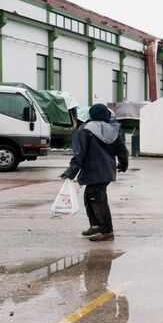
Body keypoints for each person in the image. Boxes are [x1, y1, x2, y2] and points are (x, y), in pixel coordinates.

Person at [61, 103, 129, 241]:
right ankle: (96, 225)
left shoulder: (85, 130)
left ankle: (107, 231)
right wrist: (123, 165)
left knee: (97, 200)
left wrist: (71, 172)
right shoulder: (113, 130)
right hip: (107, 171)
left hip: (93, 171)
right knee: (90, 197)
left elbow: (79, 154)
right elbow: (122, 151)